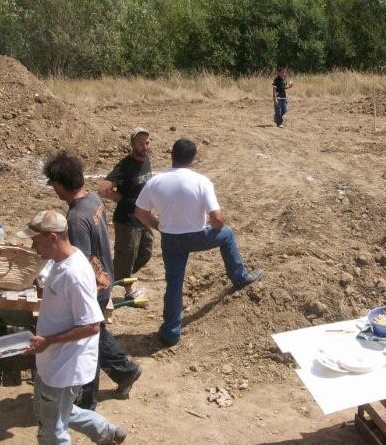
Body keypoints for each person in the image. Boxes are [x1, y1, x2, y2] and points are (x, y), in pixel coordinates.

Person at [18, 210, 126, 445]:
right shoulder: (62, 260)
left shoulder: (74, 274)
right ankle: (108, 433)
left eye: (36, 240)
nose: (33, 246)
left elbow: (92, 325)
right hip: (54, 362)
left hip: (64, 366)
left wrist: (48, 341)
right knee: (53, 411)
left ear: (53, 238)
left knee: (51, 433)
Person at [134, 138, 264, 347]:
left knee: (174, 284)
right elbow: (218, 218)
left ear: (172, 156)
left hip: (170, 240)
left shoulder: (156, 182)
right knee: (227, 235)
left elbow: (140, 212)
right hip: (196, 237)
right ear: (193, 158)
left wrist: (158, 226)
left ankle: (170, 333)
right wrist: (215, 228)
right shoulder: (202, 181)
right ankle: (239, 278)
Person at [43, 152, 142, 409]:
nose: (53, 189)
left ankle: (87, 401)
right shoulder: (94, 199)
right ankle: (125, 371)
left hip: (93, 286)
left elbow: (81, 261)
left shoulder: (75, 219)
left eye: (53, 184)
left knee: (85, 340)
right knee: (98, 334)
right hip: (104, 278)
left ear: (60, 184)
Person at [98, 127, 153, 301]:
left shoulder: (146, 161)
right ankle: (128, 290)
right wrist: (119, 197)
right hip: (127, 220)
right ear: (132, 144)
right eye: (140, 143)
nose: (144, 146)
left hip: (143, 217)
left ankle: (109, 274)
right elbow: (103, 188)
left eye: (147, 142)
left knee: (145, 253)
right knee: (127, 257)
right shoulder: (125, 165)